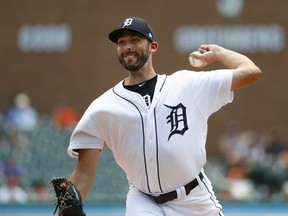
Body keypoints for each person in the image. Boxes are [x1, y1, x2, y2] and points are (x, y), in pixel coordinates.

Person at [66, 17, 262, 216]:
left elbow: (250, 72)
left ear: (153, 46)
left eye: (134, 40)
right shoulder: (103, 107)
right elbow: (83, 170)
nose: (127, 47)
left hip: (194, 198)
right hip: (144, 201)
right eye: (121, 42)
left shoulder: (187, 85)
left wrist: (219, 53)